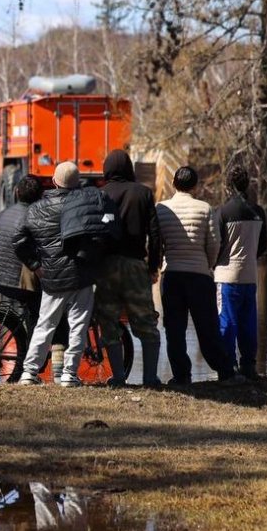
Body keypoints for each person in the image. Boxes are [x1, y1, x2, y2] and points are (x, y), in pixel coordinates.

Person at [12, 161, 97, 387]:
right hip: (81, 275)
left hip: (52, 277)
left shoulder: (36, 208)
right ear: (78, 183)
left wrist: (35, 265)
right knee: (78, 326)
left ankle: (29, 372)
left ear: (53, 181)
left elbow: (18, 240)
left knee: (45, 325)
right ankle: (69, 375)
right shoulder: (86, 206)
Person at [156, 165, 240, 385]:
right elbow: (214, 243)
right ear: (195, 186)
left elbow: (156, 243)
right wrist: (207, 265)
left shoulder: (161, 209)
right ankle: (225, 371)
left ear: (173, 183)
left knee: (174, 329)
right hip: (199, 276)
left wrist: (160, 263)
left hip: (172, 274)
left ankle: (182, 375)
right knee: (207, 327)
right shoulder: (205, 209)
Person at [92, 150, 163, 387]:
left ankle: (119, 377)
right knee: (146, 322)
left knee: (109, 322)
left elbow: (94, 232)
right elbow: (155, 234)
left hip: (106, 267)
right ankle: (150, 378)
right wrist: (153, 266)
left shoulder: (100, 194)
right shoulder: (143, 193)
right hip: (135, 265)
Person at [215, 164, 267, 379]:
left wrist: (215, 263)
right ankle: (249, 365)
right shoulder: (258, 212)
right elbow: (263, 246)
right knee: (248, 323)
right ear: (247, 185)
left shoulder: (223, 212)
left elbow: (217, 245)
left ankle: (228, 367)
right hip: (250, 275)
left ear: (228, 186)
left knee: (227, 322)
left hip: (227, 275)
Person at [0, 176, 44, 323]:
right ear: (41, 195)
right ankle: (35, 337)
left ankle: (24, 331)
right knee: (41, 309)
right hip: (14, 281)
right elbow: (23, 245)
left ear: (17, 192)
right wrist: (37, 267)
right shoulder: (35, 217)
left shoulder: (4, 213)